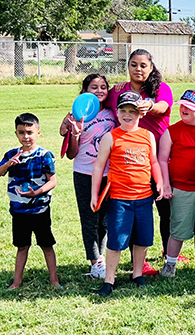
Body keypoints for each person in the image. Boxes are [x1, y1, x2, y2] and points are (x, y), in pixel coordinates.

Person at [105, 49, 177, 274]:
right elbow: (97, 103)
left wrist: (149, 105)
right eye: (134, 64)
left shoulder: (160, 88)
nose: (138, 69)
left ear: (151, 67)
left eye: (143, 65)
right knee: (134, 213)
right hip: (130, 162)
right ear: (128, 66)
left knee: (165, 208)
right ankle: (139, 263)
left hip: (160, 159)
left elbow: (163, 107)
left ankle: (169, 253)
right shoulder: (118, 90)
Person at [91, 90, 164, 296]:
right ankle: (109, 279)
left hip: (143, 198)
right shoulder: (111, 137)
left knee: (142, 239)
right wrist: (94, 194)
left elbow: (154, 162)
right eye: (123, 110)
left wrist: (159, 182)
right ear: (117, 112)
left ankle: (137, 273)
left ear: (141, 114)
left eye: (132, 111)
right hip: (119, 199)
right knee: (116, 241)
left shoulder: (147, 136)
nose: (127, 115)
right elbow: (98, 167)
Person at [59, 74, 117, 279]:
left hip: (109, 175)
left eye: (103, 87)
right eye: (94, 87)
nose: (100, 91)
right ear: (84, 92)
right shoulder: (77, 115)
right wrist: (73, 132)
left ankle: (99, 259)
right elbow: (71, 154)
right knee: (89, 219)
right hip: (84, 174)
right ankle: (95, 261)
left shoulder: (113, 114)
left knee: (105, 220)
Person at [158, 90, 195, 278]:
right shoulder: (171, 131)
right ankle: (170, 263)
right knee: (178, 228)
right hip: (182, 189)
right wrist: (166, 184)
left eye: (190, 108)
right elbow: (162, 159)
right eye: (182, 106)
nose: (184, 110)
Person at [1, 113, 60, 289]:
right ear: (16, 134)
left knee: (47, 245)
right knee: (21, 246)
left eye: (29, 132)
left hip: (39, 210)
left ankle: (54, 280)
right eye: (21, 132)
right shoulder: (11, 154)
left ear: (38, 132)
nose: (26, 136)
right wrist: (8, 164)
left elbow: (53, 180)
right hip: (19, 211)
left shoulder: (44, 155)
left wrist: (37, 193)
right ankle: (17, 281)